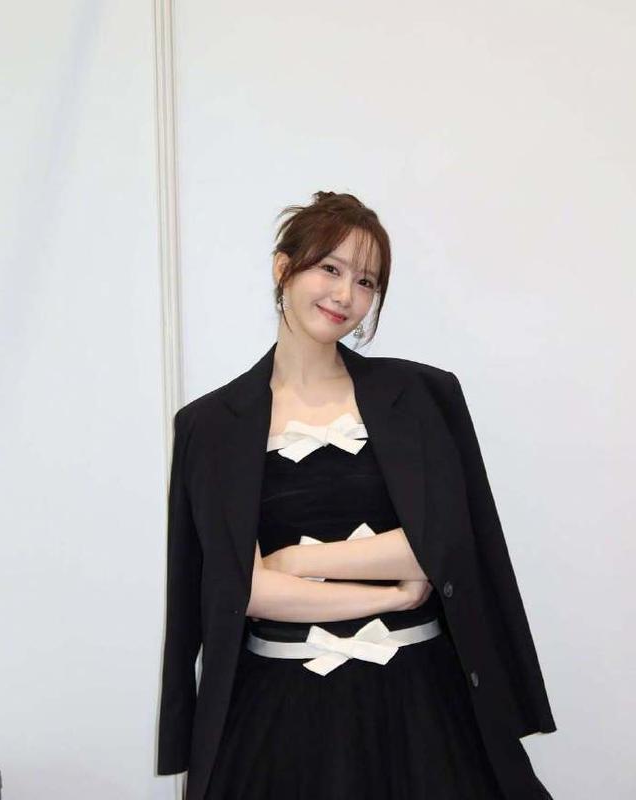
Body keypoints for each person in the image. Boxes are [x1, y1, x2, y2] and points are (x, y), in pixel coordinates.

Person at [158, 191, 556, 800]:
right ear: (283, 268)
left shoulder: (422, 396)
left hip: (424, 710)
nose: (346, 295)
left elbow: (442, 547)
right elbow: (241, 591)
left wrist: (296, 562)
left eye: (366, 281)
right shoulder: (210, 426)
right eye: (330, 268)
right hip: (275, 722)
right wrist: (392, 592)